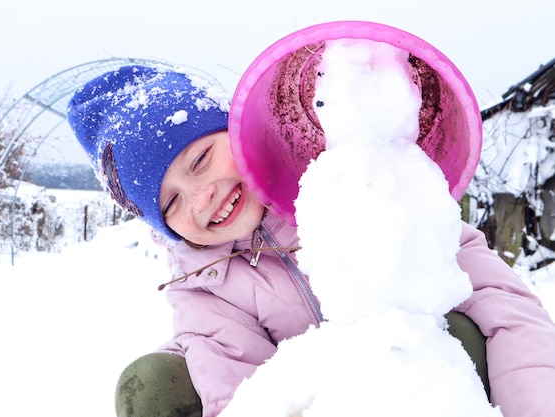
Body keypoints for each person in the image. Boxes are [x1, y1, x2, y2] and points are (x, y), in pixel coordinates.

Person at [67, 62, 555, 417]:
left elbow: (503, 304)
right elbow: (244, 394)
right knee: (148, 385)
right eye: (170, 203)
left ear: (237, 131)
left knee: (458, 323)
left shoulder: (356, 184)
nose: (200, 199)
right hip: (324, 399)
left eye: (200, 161)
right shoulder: (203, 287)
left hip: (426, 384)